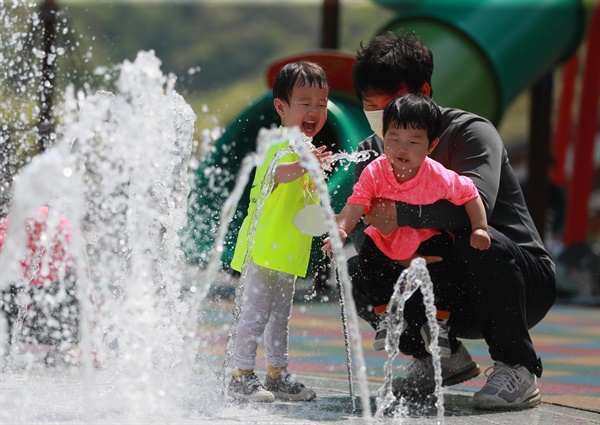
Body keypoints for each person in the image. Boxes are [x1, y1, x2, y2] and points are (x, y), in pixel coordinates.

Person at [349, 31, 557, 410]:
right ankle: (440, 359)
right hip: (447, 287)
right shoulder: (370, 152)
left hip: (519, 282)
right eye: (371, 106)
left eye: (392, 103)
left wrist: (403, 217)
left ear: (424, 91)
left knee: (475, 238)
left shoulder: (469, 134)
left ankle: (518, 366)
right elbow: (364, 223)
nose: (383, 118)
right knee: (357, 267)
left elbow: (478, 209)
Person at [322, 93, 491, 358]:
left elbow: (470, 194)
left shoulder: (437, 174)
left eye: (413, 141)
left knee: (446, 262)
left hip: (425, 238)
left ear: (431, 145)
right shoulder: (376, 170)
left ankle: (438, 321)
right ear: (383, 136)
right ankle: (385, 316)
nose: (402, 149)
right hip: (388, 239)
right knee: (366, 255)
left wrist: (480, 227)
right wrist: (341, 230)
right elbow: (356, 203)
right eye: (393, 139)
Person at [227, 61, 332, 403]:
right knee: (254, 314)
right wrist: (305, 166)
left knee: (280, 318)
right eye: (305, 102)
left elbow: (307, 206)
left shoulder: (306, 149)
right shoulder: (279, 144)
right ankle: (241, 374)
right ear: (281, 107)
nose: (314, 110)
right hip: (262, 251)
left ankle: (277, 374)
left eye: (321, 103)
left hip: (286, 253)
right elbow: (279, 174)